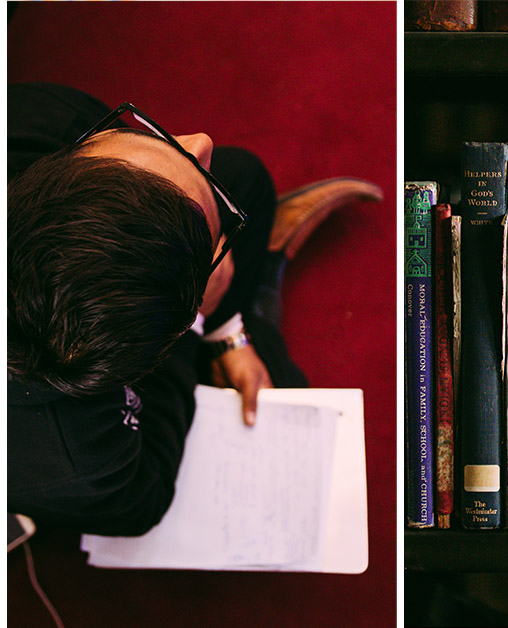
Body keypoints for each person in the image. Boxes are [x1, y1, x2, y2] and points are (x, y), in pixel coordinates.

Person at [7, 83, 382, 536]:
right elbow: (144, 504)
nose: (198, 140)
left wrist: (218, 326)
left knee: (240, 182)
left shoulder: (39, 120)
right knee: (279, 395)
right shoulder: (76, 456)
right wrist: (207, 320)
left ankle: (251, 305)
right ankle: (259, 302)